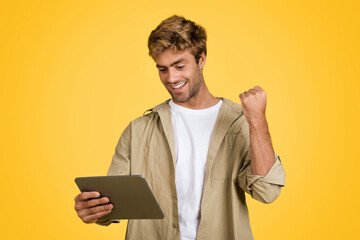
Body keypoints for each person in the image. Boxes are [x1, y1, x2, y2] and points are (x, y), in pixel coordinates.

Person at [74, 15, 285, 240]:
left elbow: (267, 191)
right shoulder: (138, 130)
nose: (171, 78)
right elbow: (113, 204)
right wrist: (94, 209)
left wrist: (257, 121)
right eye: (162, 69)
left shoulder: (240, 122)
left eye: (179, 66)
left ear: (201, 59)